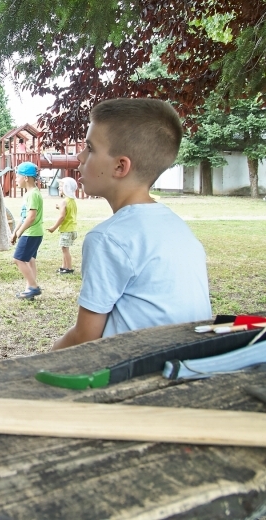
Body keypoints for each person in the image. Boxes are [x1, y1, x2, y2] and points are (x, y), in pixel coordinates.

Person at [53, 98, 212, 349]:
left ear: (120, 166)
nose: (79, 156)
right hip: (185, 365)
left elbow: (85, 338)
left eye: (90, 148)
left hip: (136, 374)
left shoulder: (108, 238)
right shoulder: (177, 227)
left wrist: (42, 360)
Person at [10, 161, 43, 300]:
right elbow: (23, 217)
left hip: (31, 233)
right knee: (30, 260)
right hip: (33, 233)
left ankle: (34, 287)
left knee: (18, 259)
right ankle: (29, 289)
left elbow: (31, 218)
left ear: (26, 178)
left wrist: (20, 232)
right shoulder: (30, 193)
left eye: (17, 176)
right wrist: (15, 232)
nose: (15, 179)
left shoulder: (32, 194)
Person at [47, 176, 79, 274]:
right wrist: (60, 207)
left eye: (61, 186)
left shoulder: (64, 201)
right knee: (64, 248)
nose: (59, 188)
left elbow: (62, 217)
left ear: (66, 188)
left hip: (66, 229)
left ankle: (68, 268)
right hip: (72, 229)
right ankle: (64, 267)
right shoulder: (71, 201)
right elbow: (67, 212)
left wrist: (53, 228)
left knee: (65, 249)